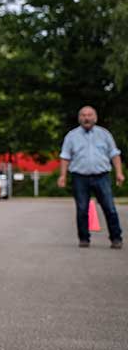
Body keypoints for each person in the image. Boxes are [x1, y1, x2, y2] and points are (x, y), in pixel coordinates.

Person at [58, 105, 124, 249]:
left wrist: (119, 172)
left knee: (110, 208)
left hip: (102, 176)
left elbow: (114, 154)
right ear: (79, 118)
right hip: (80, 177)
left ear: (95, 117)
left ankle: (116, 238)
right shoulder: (72, 136)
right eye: (83, 115)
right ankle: (84, 239)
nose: (86, 118)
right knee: (82, 209)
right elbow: (65, 157)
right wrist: (62, 175)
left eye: (89, 115)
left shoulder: (104, 134)